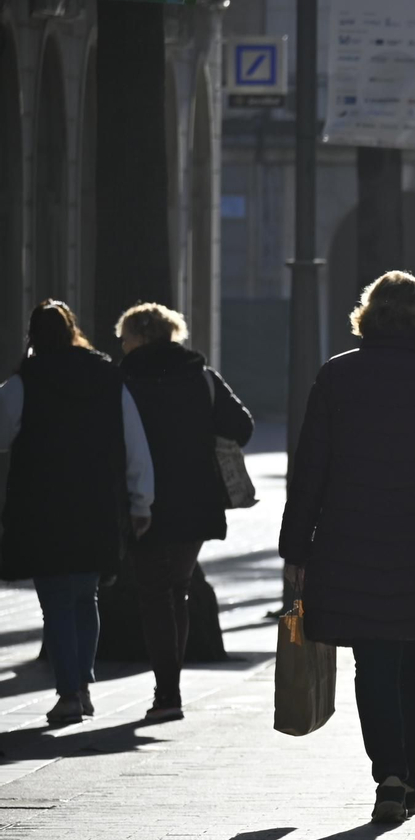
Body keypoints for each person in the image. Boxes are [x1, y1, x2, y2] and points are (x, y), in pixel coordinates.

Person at [280, 271, 415, 823]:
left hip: (349, 542)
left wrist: (296, 547)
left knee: (371, 660)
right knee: (412, 660)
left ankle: (390, 776)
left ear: (367, 316)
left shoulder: (337, 376)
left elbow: (310, 468)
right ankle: (412, 773)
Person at [0, 301, 154, 727]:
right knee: (87, 597)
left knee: (56, 604)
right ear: (73, 331)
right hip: (96, 506)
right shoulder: (107, 377)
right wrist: (141, 502)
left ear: (33, 335)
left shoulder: (22, 383)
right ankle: (82, 687)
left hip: (42, 509)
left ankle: (69, 692)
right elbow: (133, 442)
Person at [118, 303, 255, 722]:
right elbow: (242, 426)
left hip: (143, 498)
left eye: (124, 337)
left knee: (154, 593)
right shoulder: (201, 376)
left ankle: (168, 693)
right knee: (175, 588)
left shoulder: (123, 379)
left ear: (138, 338)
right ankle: (169, 689)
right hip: (197, 498)